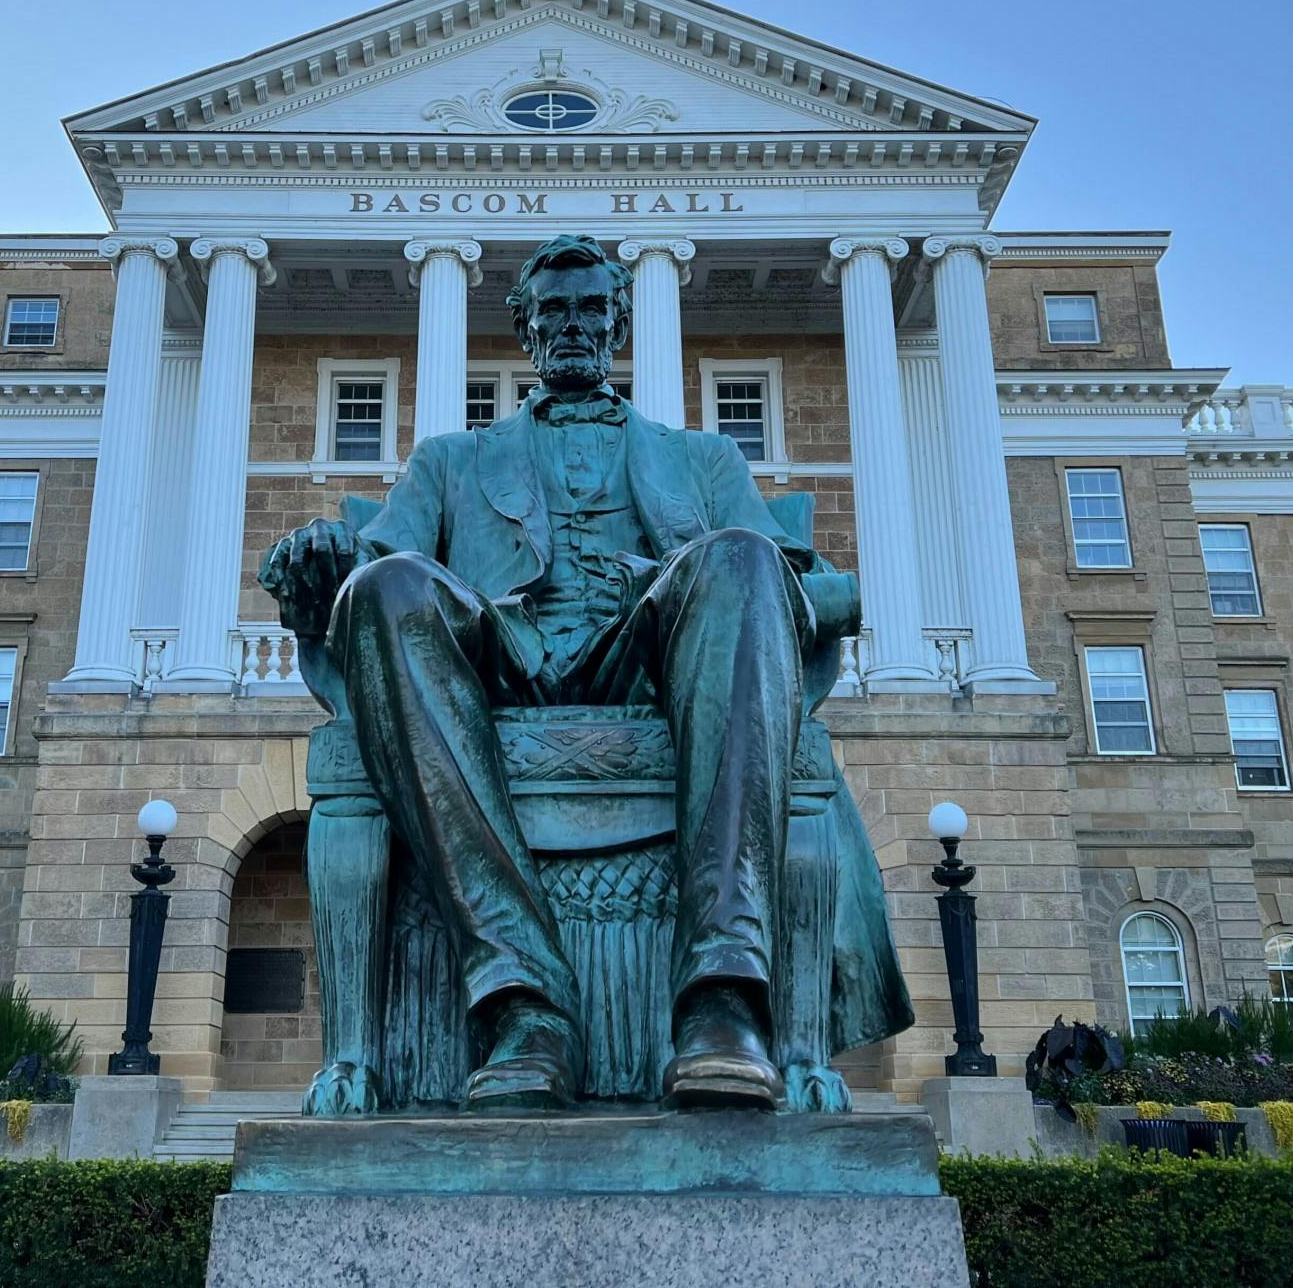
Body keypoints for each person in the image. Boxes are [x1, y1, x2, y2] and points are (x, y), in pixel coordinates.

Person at [261, 234, 874, 1109]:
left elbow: (800, 585)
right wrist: (324, 558)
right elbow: (371, 576)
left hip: (650, 658)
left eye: (593, 310)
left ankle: (721, 999)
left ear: (621, 323)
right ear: (526, 331)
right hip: (497, 662)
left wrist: (754, 580)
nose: (574, 327)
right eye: (554, 312)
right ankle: (521, 1003)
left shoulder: (705, 460)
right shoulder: (451, 460)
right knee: (388, 587)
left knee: (739, 557)